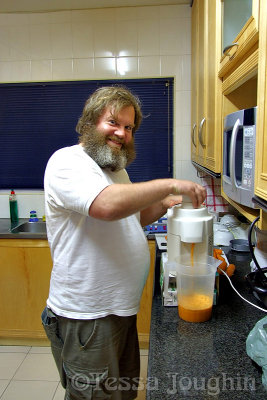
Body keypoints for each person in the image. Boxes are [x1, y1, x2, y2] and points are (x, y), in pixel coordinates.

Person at [42, 85, 206, 400]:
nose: (122, 133)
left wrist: (168, 201)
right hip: (88, 317)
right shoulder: (67, 162)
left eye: (129, 127)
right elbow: (106, 206)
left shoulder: (114, 171)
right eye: (113, 123)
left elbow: (132, 216)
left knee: (122, 393)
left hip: (119, 311)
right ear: (90, 123)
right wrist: (167, 184)